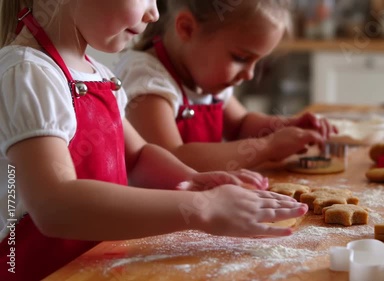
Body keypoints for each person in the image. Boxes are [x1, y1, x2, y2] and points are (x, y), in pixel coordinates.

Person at [0, 1, 308, 280]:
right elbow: (55, 206)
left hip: (89, 265)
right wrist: (201, 208)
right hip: (34, 270)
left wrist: (192, 180)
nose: (154, 13)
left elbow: (137, 157)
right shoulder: (28, 74)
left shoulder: (98, 75)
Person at [114, 0, 337, 172]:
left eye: (257, 62)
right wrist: (268, 147)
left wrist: (288, 126)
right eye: (240, 58)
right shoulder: (147, 78)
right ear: (187, 29)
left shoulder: (206, 79)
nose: (249, 74)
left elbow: (240, 124)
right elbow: (173, 159)